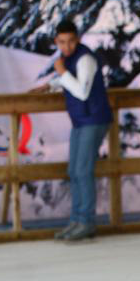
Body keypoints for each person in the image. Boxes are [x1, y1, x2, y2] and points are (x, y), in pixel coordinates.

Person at [30, 19, 112, 243]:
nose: (66, 46)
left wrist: (62, 72)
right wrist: (52, 84)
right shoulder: (70, 59)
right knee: (74, 171)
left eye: (71, 41)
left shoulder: (85, 58)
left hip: (93, 119)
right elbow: (71, 80)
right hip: (81, 120)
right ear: (56, 41)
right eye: (62, 42)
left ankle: (86, 221)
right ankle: (77, 220)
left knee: (83, 171)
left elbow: (82, 91)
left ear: (78, 39)